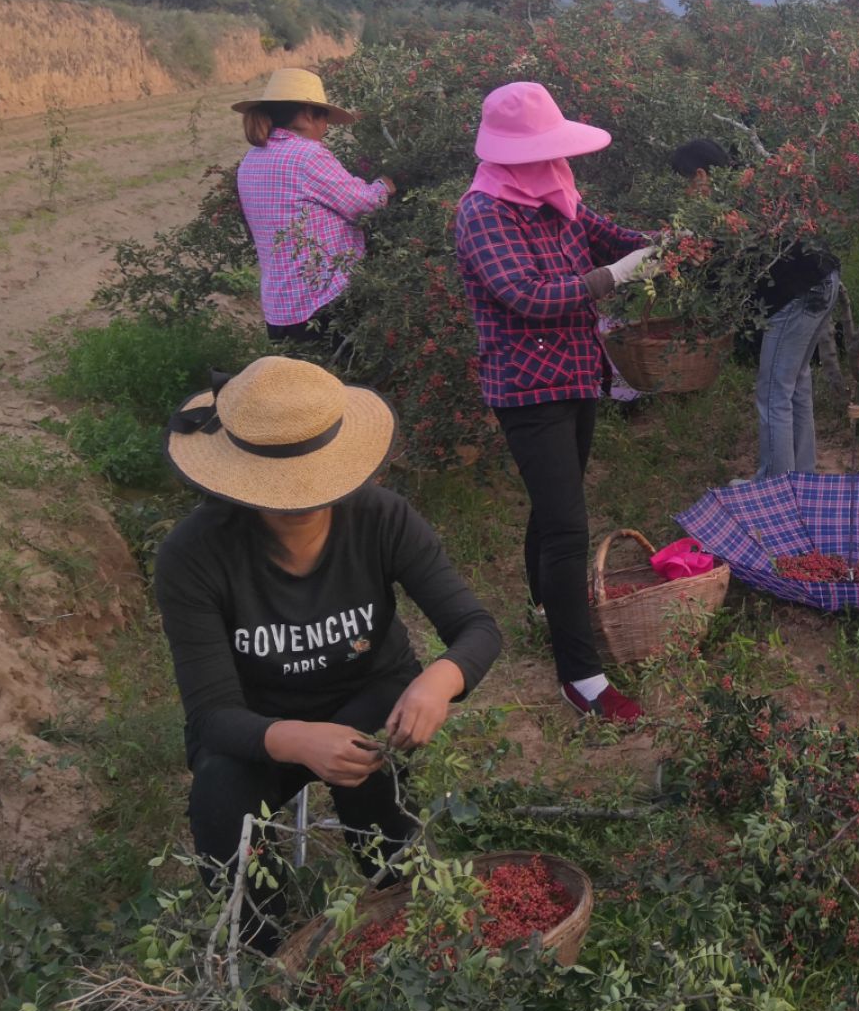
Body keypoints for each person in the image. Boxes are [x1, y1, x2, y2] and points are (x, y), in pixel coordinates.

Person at [154, 356, 501, 948]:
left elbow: (476, 627)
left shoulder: (382, 518)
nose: (301, 498)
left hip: (371, 692)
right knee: (219, 797)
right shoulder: (194, 555)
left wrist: (440, 679)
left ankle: (407, 921)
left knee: (371, 769)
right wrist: (300, 739)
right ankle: (268, 956)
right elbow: (212, 714)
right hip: (260, 722)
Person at [453, 82, 661, 722]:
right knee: (569, 525)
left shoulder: (555, 190)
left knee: (554, 504)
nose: (552, 158)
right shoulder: (483, 212)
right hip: (525, 386)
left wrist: (670, 242)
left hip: (575, 371)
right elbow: (528, 295)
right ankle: (582, 675)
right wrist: (618, 275)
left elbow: (607, 234)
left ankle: (546, 603)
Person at [669, 138, 841, 479]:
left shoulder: (723, 207)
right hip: (825, 278)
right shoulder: (751, 187)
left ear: (701, 175)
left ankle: (775, 491)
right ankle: (803, 480)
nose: (684, 193)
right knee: (797, 382)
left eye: (683, 183)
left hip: (798, 295)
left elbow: (723, 268)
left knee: (774, 391)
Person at [233, 68, 395, 345]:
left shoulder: (251, 159)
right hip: (319, 305)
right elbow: (363, 204)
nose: (327, 128)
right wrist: (385, 185)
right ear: (308, 114)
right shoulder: (307, 155)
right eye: (324, 118)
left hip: (280, 309)